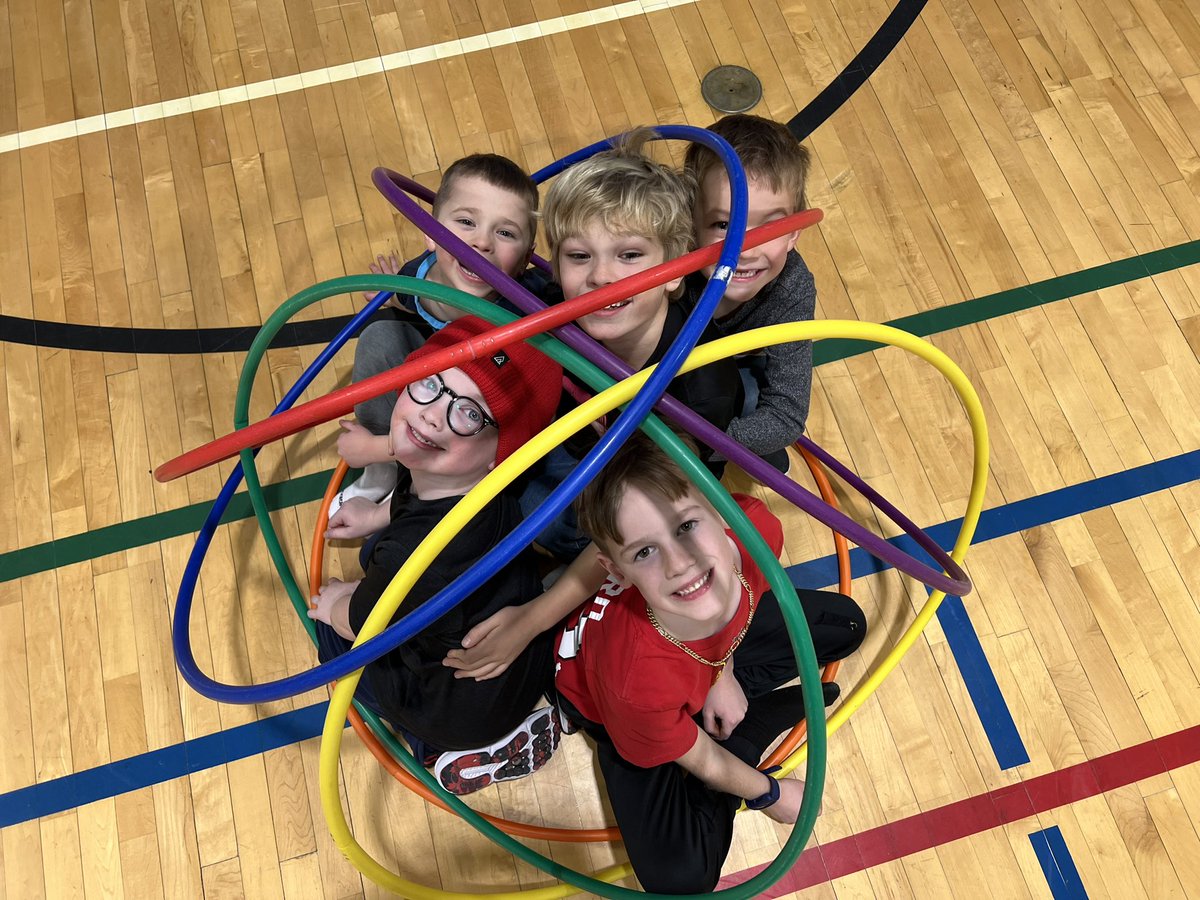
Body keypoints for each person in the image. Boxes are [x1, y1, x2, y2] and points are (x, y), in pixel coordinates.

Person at [553, 431, 866, 893]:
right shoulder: (634, 683)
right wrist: (768, 793)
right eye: (644, 551)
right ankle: (745, 737)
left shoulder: (756, 530)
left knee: (845, 626)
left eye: (685, 527)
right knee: (682, 879)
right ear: (616, 570)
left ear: (721, 509)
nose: (680, 564)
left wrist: (724, 672)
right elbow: (697, 756)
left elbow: (729, 618)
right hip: (619, 713)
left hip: (698, 657)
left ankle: (724, 706)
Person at [308, 315, 564, 795]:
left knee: (332, 643)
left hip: (460, 709)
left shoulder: (418, 553)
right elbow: (414, 493)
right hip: (520, 662)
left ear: (498, 454)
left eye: (469, 413)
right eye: (430, 383)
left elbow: (364, 624)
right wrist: (376, 515)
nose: (432, 415)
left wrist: (337, 605)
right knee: (376, 559)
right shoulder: (462, 481)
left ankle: (436, 750)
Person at [518, 132, 742, 562]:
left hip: (645, 470)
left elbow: (665, 494)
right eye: (579, 256)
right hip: (578, 442)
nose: (602, 276)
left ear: (675, 271)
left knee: (556, 521)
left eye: (630, 255)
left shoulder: (702, 388)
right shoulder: (550, 309)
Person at [334, 153, 544, 512]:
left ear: (525, 260)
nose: (482, 242)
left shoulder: (519, 318)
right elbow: (410, 302)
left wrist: (377, 447)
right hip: (436, 373)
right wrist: (391, 295)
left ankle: (409, 477)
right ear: (430, 234)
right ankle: (383, 472)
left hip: (475, 409)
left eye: (505, 233)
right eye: (466, 221)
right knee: (378, 338)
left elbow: (501, 426)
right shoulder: (415, 277)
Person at [684, 113, 816, 472]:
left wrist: (704, 444)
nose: (744, 250)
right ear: (689, 222)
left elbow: (786, 414)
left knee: (753, 396)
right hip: (664, 366)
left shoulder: (791, 288)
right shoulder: (666, 261)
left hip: (728, 380)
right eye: (723, 224)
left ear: (794, 233)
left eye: (770, 228)